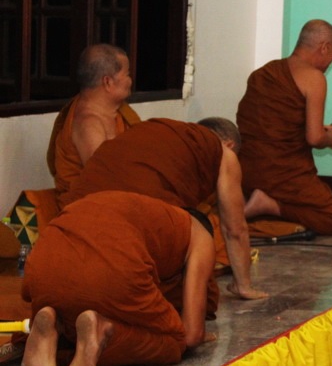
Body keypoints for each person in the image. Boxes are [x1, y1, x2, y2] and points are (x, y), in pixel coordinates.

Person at [20, 191, 216, 366]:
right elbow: (192, 336)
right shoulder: (200, 233)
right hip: (112, 263)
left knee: (75, 323)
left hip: (42, 262)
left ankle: (52, 334)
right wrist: (196, 333)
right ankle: (103, 330)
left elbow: (27, 292)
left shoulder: (146, 211)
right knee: (174, 342)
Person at [62, 117, 266, 302]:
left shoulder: (153, 131)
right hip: (132, 218)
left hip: (76, 217)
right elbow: (234, 229)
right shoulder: (223, 153)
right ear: (229, 145)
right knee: (191, 282)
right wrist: (243, 285)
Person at [236, 19, 332, 236]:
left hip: (247, 173)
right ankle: (269, 205)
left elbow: (271, 124)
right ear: (324, 47)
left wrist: (319, 129)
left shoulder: (262, 73)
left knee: (300, 212)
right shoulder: (314, 78)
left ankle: (258, 203)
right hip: (284, 174)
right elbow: (314, 138)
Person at [46, 44, 141, 209]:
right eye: (127, 74)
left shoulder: (118, 114)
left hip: (120, 199)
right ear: (108, 82)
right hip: (91, 210)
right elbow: (104, 181)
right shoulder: (88, 124)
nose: (130, 81)